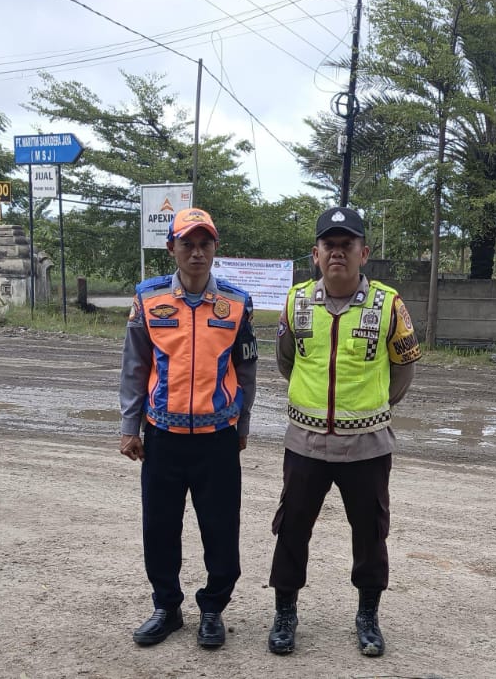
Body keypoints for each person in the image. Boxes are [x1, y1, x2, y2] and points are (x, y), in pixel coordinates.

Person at [266, 206, 421, 657]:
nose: (337, 252)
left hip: (367, 447)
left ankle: (368, 615)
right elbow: (286, 361)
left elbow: (403, 369)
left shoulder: (388, 305)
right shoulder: (296, 302)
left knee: (370, 533)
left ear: (363, 253)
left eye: (346, 244)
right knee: (291, 529)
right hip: (305, 444)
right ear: (315, 254)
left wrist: (372, 408)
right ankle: (285, 613)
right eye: (329, 245)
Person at [118, 207, 258, 649]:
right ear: (171, 248)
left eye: (204, 244)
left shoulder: (237, 303)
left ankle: (213, 609)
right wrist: (130, 426)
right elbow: (135, 366)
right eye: (187, 244)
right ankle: (167, 607)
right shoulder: (148, 298)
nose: (197, 253)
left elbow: (247, 371)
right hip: (162, 439)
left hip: (218, 440)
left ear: (216, 248)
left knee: (221, 530)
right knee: (159, 529)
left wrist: (242, 426)